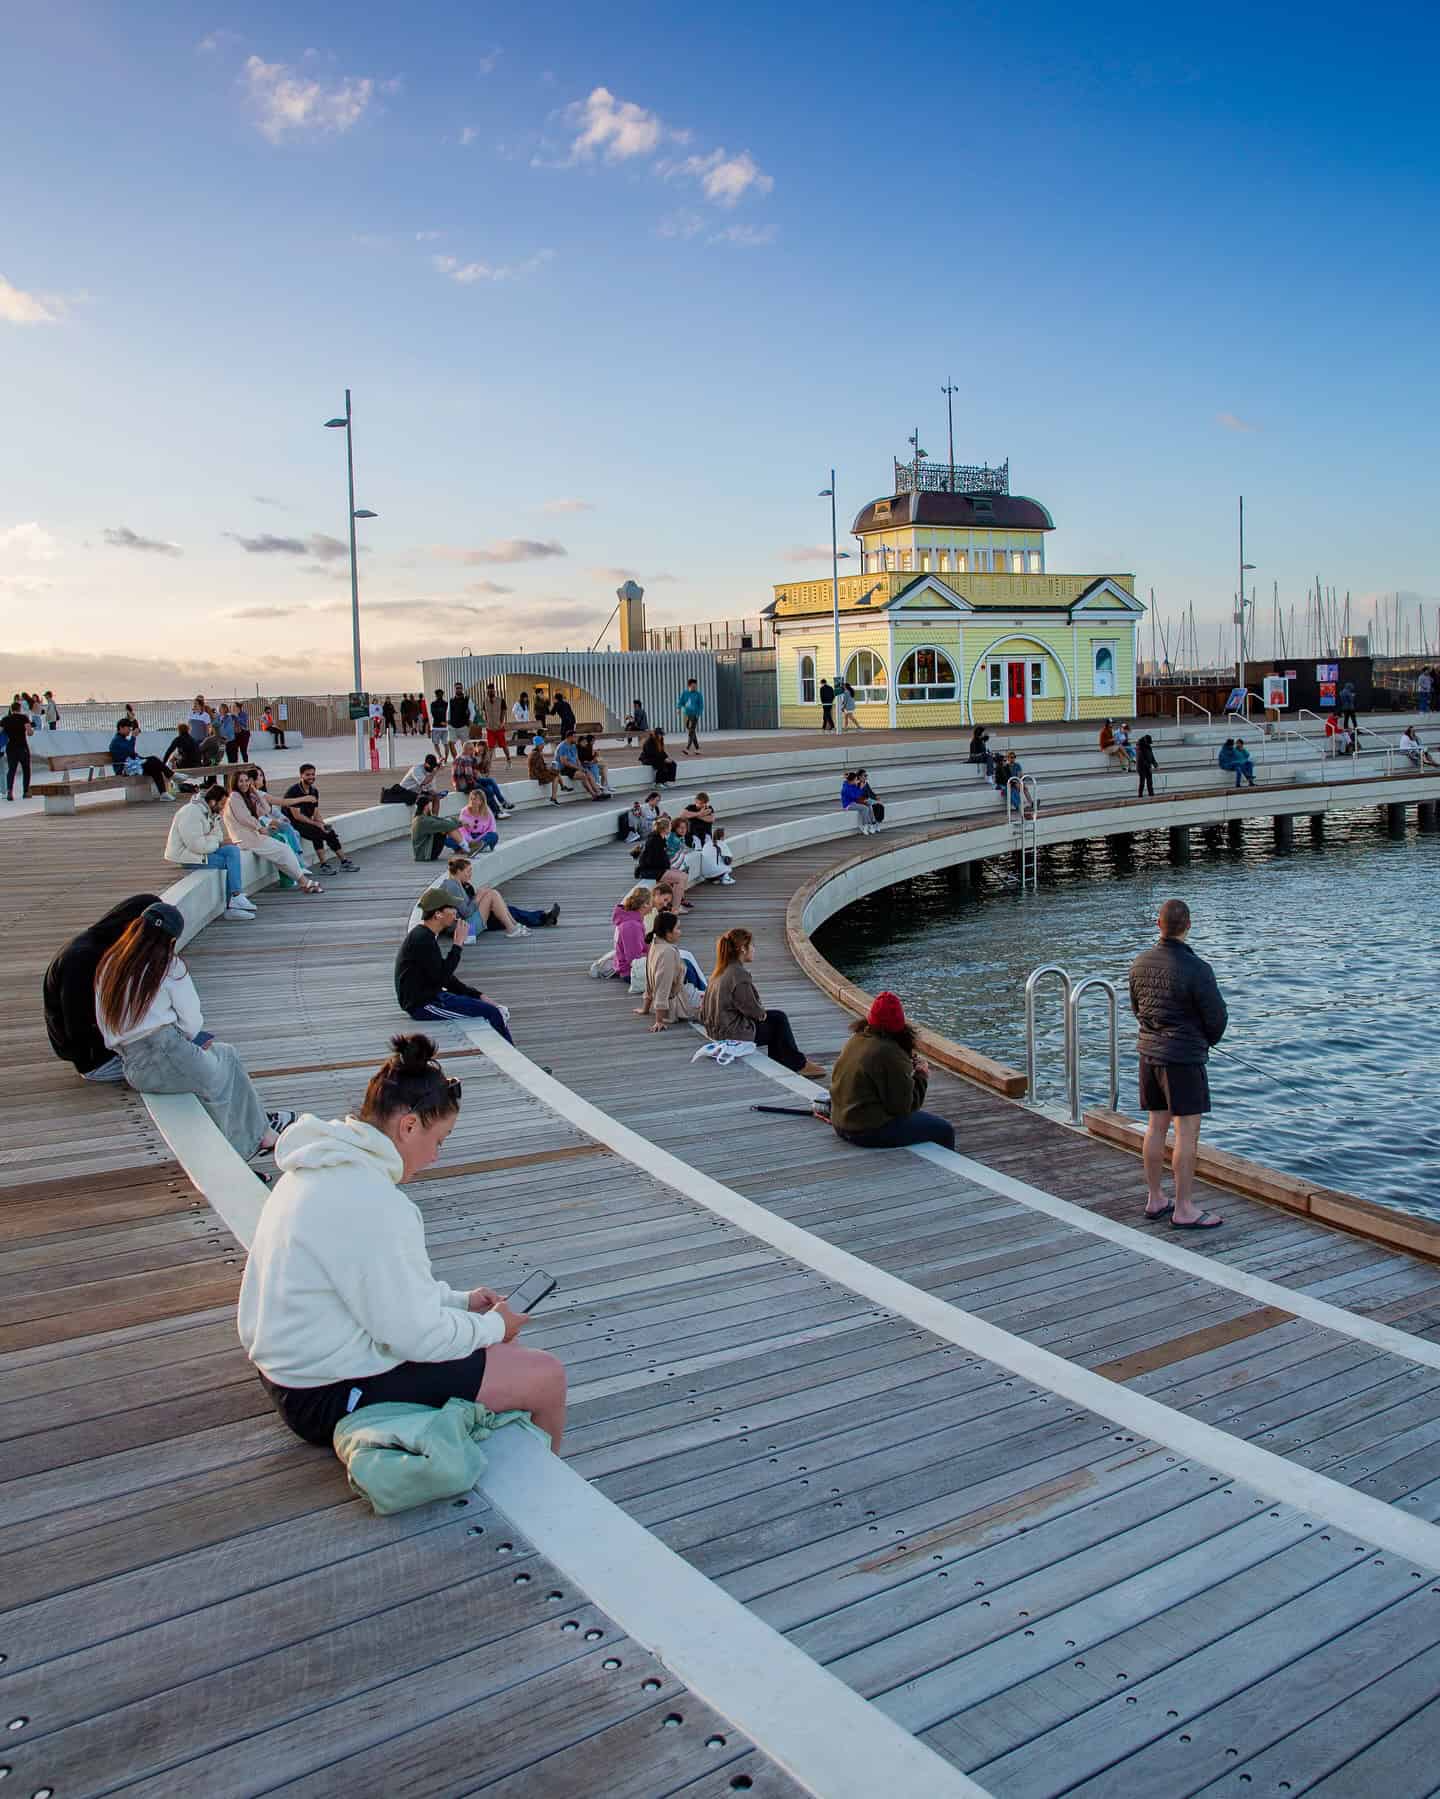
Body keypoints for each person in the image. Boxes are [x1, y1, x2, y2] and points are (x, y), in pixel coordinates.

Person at [236, 1033, 566, 1451]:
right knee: (545, 1375)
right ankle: (548, 1503)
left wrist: (461, 1303)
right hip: (325, 1395)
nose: (435, 1157)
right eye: (439, 1141)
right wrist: (495, 1326)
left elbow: (375, 1293)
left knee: (498, 1349)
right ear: (409, 1126)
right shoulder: (375, 1203)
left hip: (289, 1372)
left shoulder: (318, 1165)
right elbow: (415, 1337)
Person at [96, 900, 287, 1156]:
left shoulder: (110, 963)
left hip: (132, 1064)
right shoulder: (168, 966)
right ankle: (244, 1151)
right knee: (220, 1076)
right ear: (171, 941)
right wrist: (193, 1039)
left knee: (226, 1057)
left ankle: (262, 1134)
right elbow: (191, 1022)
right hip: (166, 1055)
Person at [1129, 897, 1228, 1230]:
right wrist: (1205, 1040)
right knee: (1186, 1133)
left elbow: (1137, 1008)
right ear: (1188, 926)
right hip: (1183, 1059)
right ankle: (1184, 1208)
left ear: (1159, 925)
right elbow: (1217, 1020)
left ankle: (1155, 1198)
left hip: (1149, 1054)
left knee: (1156, 1126)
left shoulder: (1140, 963)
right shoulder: (1199, 969)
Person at [44, 892, 162, 1083]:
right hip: (95, 1060)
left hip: (105, 1046)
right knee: (183, 1068)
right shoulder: (83, 959)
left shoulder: (99, 946)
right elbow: (78, 1023)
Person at [828, 991, 955, 1151]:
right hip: (866, 1131)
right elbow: (904, 1107)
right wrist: (921, 1075)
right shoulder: (889, 1052)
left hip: (840, 1123)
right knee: (944, 1130)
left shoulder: (856, 1039)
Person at [701, 927, 824, 1077]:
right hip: (732, 1034)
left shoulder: (719, 971)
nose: (754, 949)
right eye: (752, 945)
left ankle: (783, 1060)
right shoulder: (738, 975)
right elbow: (755, 1012)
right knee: (778, 1019)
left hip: (716, 1031)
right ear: (743, 949)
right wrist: (762, 1014)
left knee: (774, 1020)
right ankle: (798, 1064)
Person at [395, 890, 514, 1039]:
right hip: (422, 1005)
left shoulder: (425, 935)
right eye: (451, 908)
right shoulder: (422, 939)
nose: (456, 913)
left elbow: (444, 976)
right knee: (491, 1013)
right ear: (438, 914)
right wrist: (457, 945)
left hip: (432, 996)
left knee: (490, 1009)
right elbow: (441, 979)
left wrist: (478, 995)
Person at [165, 782, 256, 921]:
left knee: (232, 850)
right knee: (228, 861)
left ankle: (236, 898)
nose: (223, 808)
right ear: (213, 801)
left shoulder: (211, 812)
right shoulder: (191, 812)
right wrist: (215, 841)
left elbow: (218, 836)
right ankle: (233, 904)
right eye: (222, 803)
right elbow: (197, 845)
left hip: (202, 851)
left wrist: (212, 840)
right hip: (188, 856)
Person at [224, 771, 325, 893]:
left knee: (284, 851)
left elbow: (266, 810)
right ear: (235, 783)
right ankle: (304, 882)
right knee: (283, 851)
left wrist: (255, 793)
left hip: (254, 837)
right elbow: (244, 818)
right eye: (241, 781)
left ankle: (304, 881)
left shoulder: (246, 796)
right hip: (247, 839)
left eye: (246, 780)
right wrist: (260, 828)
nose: (244, 784)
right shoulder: (234, 796)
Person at [430, 854, 556, 943]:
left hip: (465, 926)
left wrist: (478, 895)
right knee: (491, 895)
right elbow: (466, 912)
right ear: (458, 871)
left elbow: (464, 907)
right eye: (468, 871)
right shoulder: (452, 886)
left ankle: (514, 926)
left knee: (492, 893)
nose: (470, 874)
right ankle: (514, 928)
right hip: (465, 931)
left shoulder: (456, 884)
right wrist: (479, 897)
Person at [281, 765, 359, 873]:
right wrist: (316, 824)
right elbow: (296, 816)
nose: (311, 777)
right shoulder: (293, 791)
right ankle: (324, 865)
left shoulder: (314, 791)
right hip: (292, 823)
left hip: (306, 821)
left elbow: (315, 812)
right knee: (317, 832)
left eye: (313, 774)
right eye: (307, 775)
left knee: (329, 832)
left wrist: (322, 824)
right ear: (301, 775)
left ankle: (344, 862)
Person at [636, 910, 701, 1030]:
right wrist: (659, 1021)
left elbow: (649, 979)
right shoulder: (668, 952)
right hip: (678, 1004)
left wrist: (646, 1008)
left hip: (668, 1001)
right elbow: (662, 986)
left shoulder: (655, 944)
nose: (680, 932)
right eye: (678, 928)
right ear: (668, 933)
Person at [633, 814, 692, 910]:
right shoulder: (655, 840)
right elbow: (652, 860)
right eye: (670, 826)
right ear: (665, 829)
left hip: (658, 869)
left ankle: (675, 903)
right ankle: (675, 908)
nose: (671, 828)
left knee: (683, 876)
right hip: (651, 871)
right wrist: (667, 867)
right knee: (681, 878)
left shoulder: (660, 838)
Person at [452, 739, 515, 816]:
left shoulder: (458, 757)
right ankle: (497, 812)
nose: (473, 752)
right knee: (488, 791)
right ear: (469, 750)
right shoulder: (467, 759)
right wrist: (480, 786)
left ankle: (502, 802)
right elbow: (469, 778)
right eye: (472, 750)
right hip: (464, 785)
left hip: (460, 784)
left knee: (490, 781)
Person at [608, 885, 650, 983]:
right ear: (645, 904)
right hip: (630, 973)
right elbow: (634, 958)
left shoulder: (634, 920)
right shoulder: (632, 926)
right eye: (651, 903)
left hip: (632, 968)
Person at [555, 729, 604, 799]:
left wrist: (581, 767)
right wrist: (578, 768)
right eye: (574, 737)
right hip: (564, 768)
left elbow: (577, 759)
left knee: (588, 773)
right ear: (570, 737)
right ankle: (594, 795)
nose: (576, 739)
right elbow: (564, 762)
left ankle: (599, 792)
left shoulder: (573, 746)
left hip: (573, 767)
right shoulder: (563, 747)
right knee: (583, 775)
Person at [3, 697, 33, 800]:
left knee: (11, 770)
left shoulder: (5, 719)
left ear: (11, 709)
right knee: (26, 769)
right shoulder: (24, 718)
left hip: (10, 748)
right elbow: (29, 733)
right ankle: (25, 792)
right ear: (20, 709)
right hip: (22, 747)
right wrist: (30, 730)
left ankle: (9, 791)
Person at [453, 789, 500, 855]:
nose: (472, 801)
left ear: (481, 801)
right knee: (449, 839)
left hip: (482, 837)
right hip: (467, 837)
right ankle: (475, 847)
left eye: (475, 799)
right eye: (471, 799)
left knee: (494, 836)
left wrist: (478, 840)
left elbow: (492, 829)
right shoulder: (464, 811)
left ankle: (470, 848)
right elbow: (461, 829)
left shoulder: (488, 812)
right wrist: (470, 840)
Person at [840, 770, 879, 835]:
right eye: (855, 779)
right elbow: (855, 796)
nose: (856, 781)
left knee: (868, 805)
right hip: (848, 805)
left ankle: (871, 824)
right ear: (851, 781)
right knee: (865, 808)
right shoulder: (846, 788)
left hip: (853, 803)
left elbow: (858, 795)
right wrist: (860, 788)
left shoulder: (852, 785)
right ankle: (865, 826)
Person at [527, 737, 564, 805]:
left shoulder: (534, 753)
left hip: (536, 773)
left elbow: (541, 766)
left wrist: (549, 767)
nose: (543, 746)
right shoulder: (536, 754)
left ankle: (562, 787)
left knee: (555, 771)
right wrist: (549, 768)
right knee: (555, 777)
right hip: (536, 775)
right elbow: (541, 768)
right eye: (542, 745)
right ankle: (554, 797)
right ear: (538, 745)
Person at [478, 683, 510, 764]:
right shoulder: (485, 701)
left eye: (492, 690)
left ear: (494, 691)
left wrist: (501, 722)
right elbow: (485, 712)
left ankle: (508, 759)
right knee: (490, 747)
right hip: (490, 728)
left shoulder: (500, 700)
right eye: (488, 691)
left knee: (503, 745)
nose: (490, 692)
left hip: (499, 727)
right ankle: (488, 764)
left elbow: (504, 711)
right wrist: (486, 722)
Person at [676, 678, 704, 755]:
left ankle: (687, 748)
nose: (695, 687)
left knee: (691, 730)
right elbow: (680, 702)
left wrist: (698, 714)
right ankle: (698, 748)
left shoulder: (698, 694)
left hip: (694, 715)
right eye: (693, 686)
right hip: (686, 714)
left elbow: (701, 705)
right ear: (689, 686)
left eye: (695, 686)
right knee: (691, 731)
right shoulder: (684, 693)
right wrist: (678, 709)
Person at [1136, 733, 1158, 799]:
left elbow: (1151, 756)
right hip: (1141, 767)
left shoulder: (1148, 746)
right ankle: (1140, 795)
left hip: (1148, 766)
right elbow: (1142, 759)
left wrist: (1155, 764)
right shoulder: (1139, 747)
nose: (1149, 744)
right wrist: (1149, 766)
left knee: (1150, 781)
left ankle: (1151, 794)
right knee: (1142, 782)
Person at [429, 688, 449, 757]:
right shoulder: (446, 704)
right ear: (442, 695)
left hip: (436, 726)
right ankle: (445, 758)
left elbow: (433, 714)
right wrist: (445, 722)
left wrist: (440, 722)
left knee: (436, 743)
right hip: (445, 727)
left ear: (436, 695)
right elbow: (449, 714)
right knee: (446, 744)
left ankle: (440, 756)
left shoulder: (433, 704)